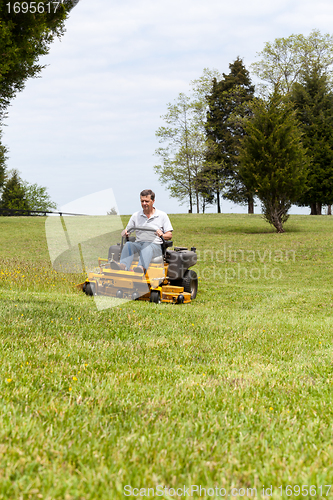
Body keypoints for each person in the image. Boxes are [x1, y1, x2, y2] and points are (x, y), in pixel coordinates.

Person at [111, 189, 173, 274]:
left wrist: (162, 234)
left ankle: (141, 268)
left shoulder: (162, 215)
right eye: (142, 201)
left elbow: (169, 235)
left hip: (155, 246)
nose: (144, 203)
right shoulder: (136, 215)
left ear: (153, 201)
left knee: (147, 245)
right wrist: (125, 233)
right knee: (129, 244)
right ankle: (123, 266)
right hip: (139, 244)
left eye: (146, 201)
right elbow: (127, 231)